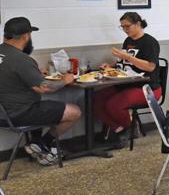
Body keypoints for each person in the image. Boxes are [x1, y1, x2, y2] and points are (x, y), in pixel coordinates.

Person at [0, 17, 80, 165]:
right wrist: (66, 80)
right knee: (74, 111)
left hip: (4, 114)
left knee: (44, 106)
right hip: (19, 114)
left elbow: (12, 78)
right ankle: (42, 143)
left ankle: (38, 144)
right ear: (26, 36)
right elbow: (44, 88)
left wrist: (35, 73)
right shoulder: (21, 59)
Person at [93, 12, 160, 148]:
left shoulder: (150, 42)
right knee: (96, 99)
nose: (125, 30)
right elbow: (125, 65)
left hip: (147, 87)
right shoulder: (128, 41)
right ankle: (120, 129)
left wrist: (128, 57)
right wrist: (111, 66)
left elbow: (150, 67)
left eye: (127, 26)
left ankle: (129, 128)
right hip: (127, 83)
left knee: (113, 104)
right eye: (122, 27)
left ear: (138, 24)